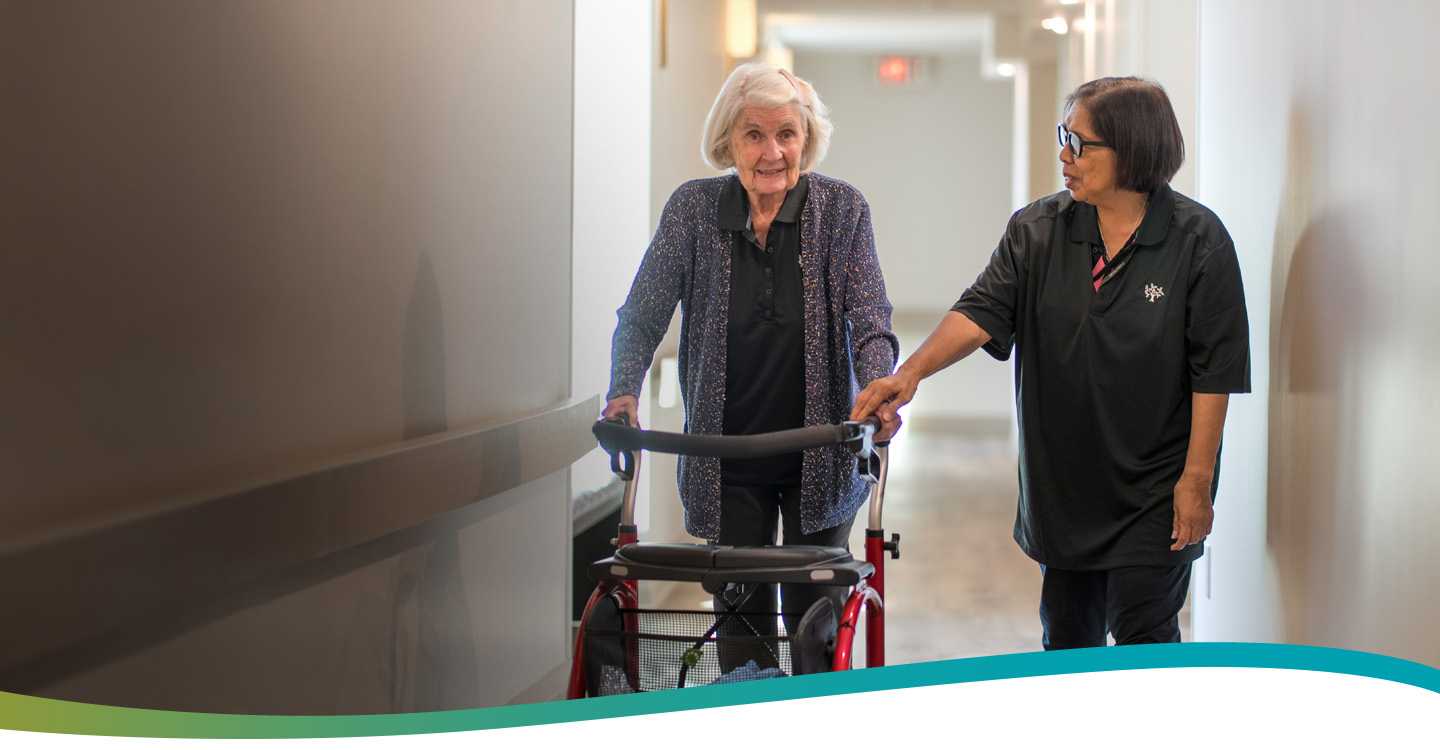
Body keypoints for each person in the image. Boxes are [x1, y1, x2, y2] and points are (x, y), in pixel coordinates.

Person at [852, 76, 1250, 649]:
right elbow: (980, 311)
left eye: (1079, 143)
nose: (1065, 155)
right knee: (1067, 641)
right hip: (1063, 489)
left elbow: (1215, 372)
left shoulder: (1198, 241)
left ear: (1132, 150)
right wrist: (909, 374)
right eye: (1064, 137)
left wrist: (1197, 480)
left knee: (1145, 642)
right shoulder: (1038, 231)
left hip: (1155, 489)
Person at [604, 62, 898, 652]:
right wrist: (623, 389)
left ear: (806, 139)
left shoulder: (841, 210)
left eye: (787, 133)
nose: (772, 152)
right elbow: (641, 314)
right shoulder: (693, 211)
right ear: (728, 140)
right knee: (742, 626)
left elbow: (870, 320)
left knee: (816, 623)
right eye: (754, 135)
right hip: (727, 460)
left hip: (821, 454)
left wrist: (878, 389)